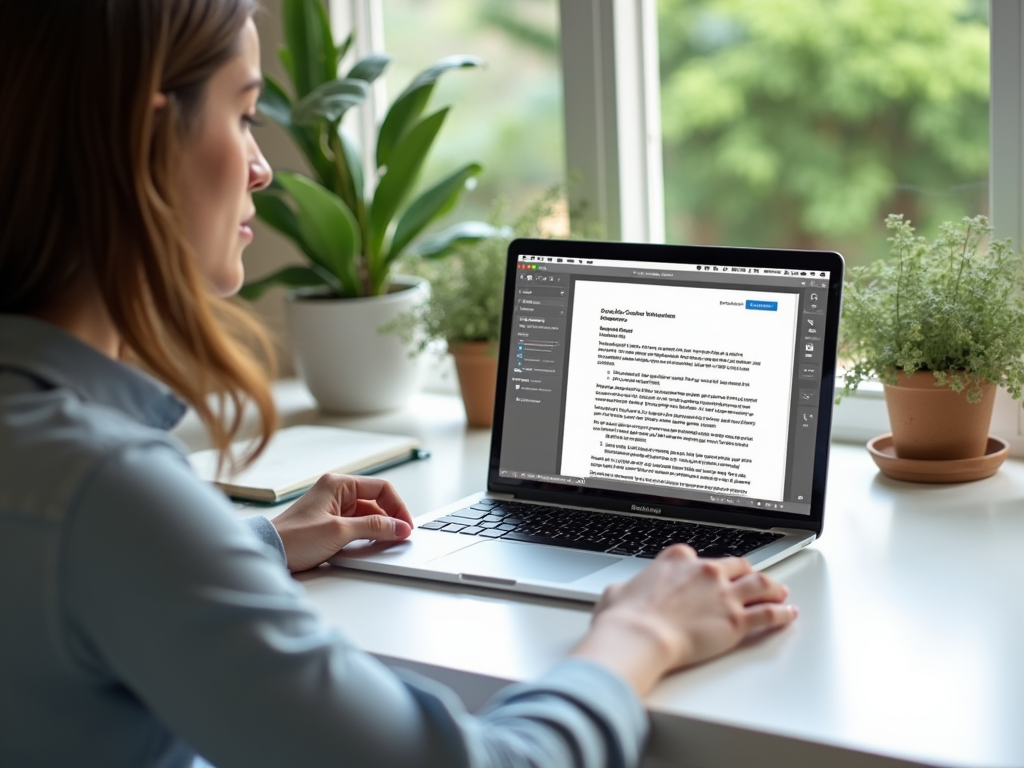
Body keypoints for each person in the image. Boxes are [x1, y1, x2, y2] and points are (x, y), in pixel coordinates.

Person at [0, 2, 798, 767]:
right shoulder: (107, 488)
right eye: (244, 115)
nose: (263, 169)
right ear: (144, 139)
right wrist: (643, 632)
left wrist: (255, 546)